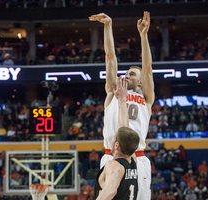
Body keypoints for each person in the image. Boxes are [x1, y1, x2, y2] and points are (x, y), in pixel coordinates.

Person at [89, 11, 154, 200]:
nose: (126, 75)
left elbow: (148, 69)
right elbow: (110, 57)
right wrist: (107, 26)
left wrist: (143, 35)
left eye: (132, 74)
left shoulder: (146, 97)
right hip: (111, 155)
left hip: (138, 158)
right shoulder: (112, 92)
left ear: (140, 83)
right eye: (126, 73)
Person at [95, 77, 139, 200]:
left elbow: (111, 190)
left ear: (116, 145)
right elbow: (124, 128)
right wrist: (122, 100)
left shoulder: (114, 165)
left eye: (114, 138)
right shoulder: (133, 161)